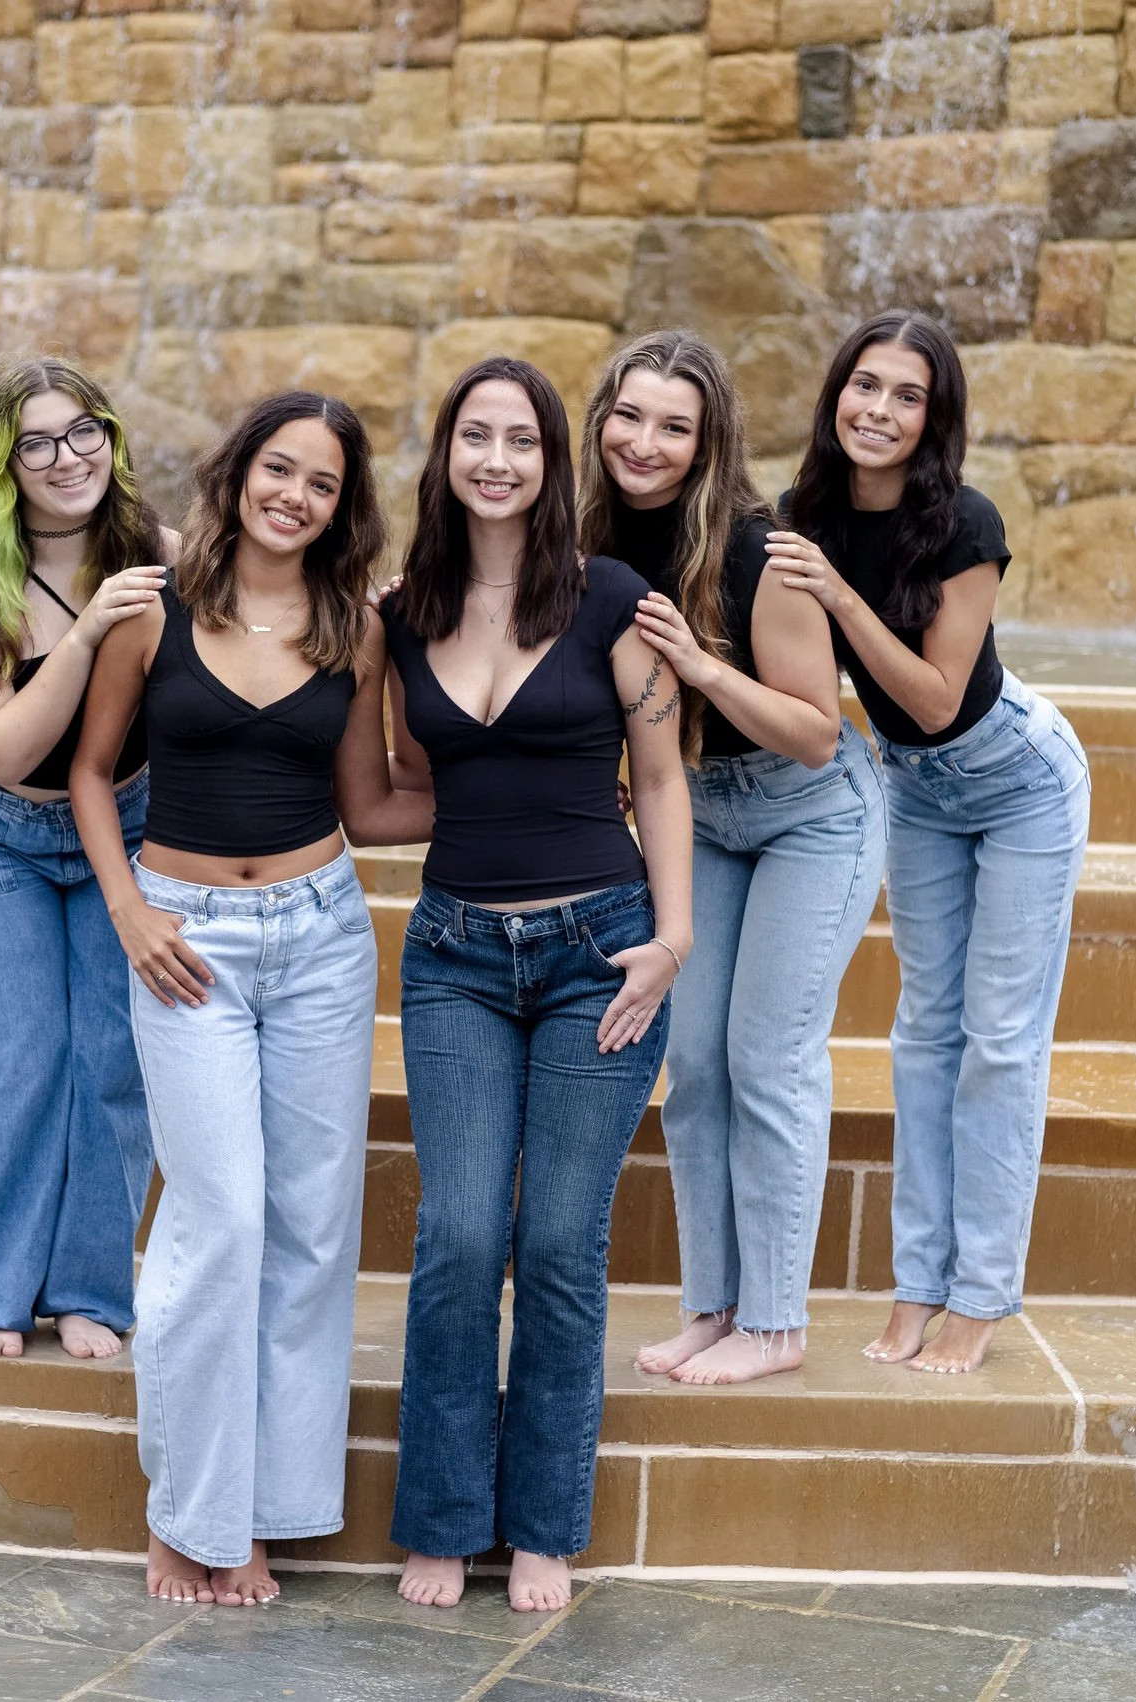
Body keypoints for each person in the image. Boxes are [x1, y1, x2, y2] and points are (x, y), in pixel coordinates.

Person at [70, 391, 433, 1609]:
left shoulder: (353, 626)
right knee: (218, 1217)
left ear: (344, 509)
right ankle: (188, 1514)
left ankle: (263, 1519)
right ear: (237, 473)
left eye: (322, 484)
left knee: (313, 1232)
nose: (295, 495)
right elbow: (88, 767)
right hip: (186, 940)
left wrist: (545, 800)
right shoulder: (149, 606)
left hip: (321, 934)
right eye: (279, 469)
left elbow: (374, 800)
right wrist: (128, 909)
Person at [380, 357, 691, 1614]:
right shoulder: (400, 611)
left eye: (521, 439)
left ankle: (546, 1523)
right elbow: (389, 789)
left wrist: (672, 938)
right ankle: (445, 1516)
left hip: (598, 955)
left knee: (559, 1238)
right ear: (445, 454)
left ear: (553, 463)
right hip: (453, 952)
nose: (497, 458)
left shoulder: (614, 599)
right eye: (475, 436)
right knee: (458, 1232)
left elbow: (661, 780)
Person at [768, 310, 1091, 1376]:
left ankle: (981, 1295)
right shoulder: (799, 517)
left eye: (908, 396)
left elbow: (937, 697)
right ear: (836, 395)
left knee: (998, 1042)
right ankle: (916, 1283)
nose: (879, 410)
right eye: (866, 386)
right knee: (922, 1038)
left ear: (932, 418)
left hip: (1016, 780)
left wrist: (840, 598)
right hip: (912, 789)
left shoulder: (964, 524)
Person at [572, 330, 885, 1389]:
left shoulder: (762, 550)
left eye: (674, 425)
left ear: (710, 442)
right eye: (629, 416)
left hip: (808, 815)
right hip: (701, 812)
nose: (645, 442)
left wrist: (699, 667)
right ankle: (714, 1306)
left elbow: (815, 731)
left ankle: (779, 1320)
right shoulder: (586, 537)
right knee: (694, 1066)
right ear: (599, 419)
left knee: (768, 1056)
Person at [0, 358, 172, 1363]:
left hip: (132, 820)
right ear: (2, 468)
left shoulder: (165, 552)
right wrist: (92, 628)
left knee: (114, 1058)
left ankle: (89, 1290)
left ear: (110, 437)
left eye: (84, 433)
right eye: (36, 444)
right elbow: (4, 747)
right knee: (17, 1057)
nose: (67, 458)